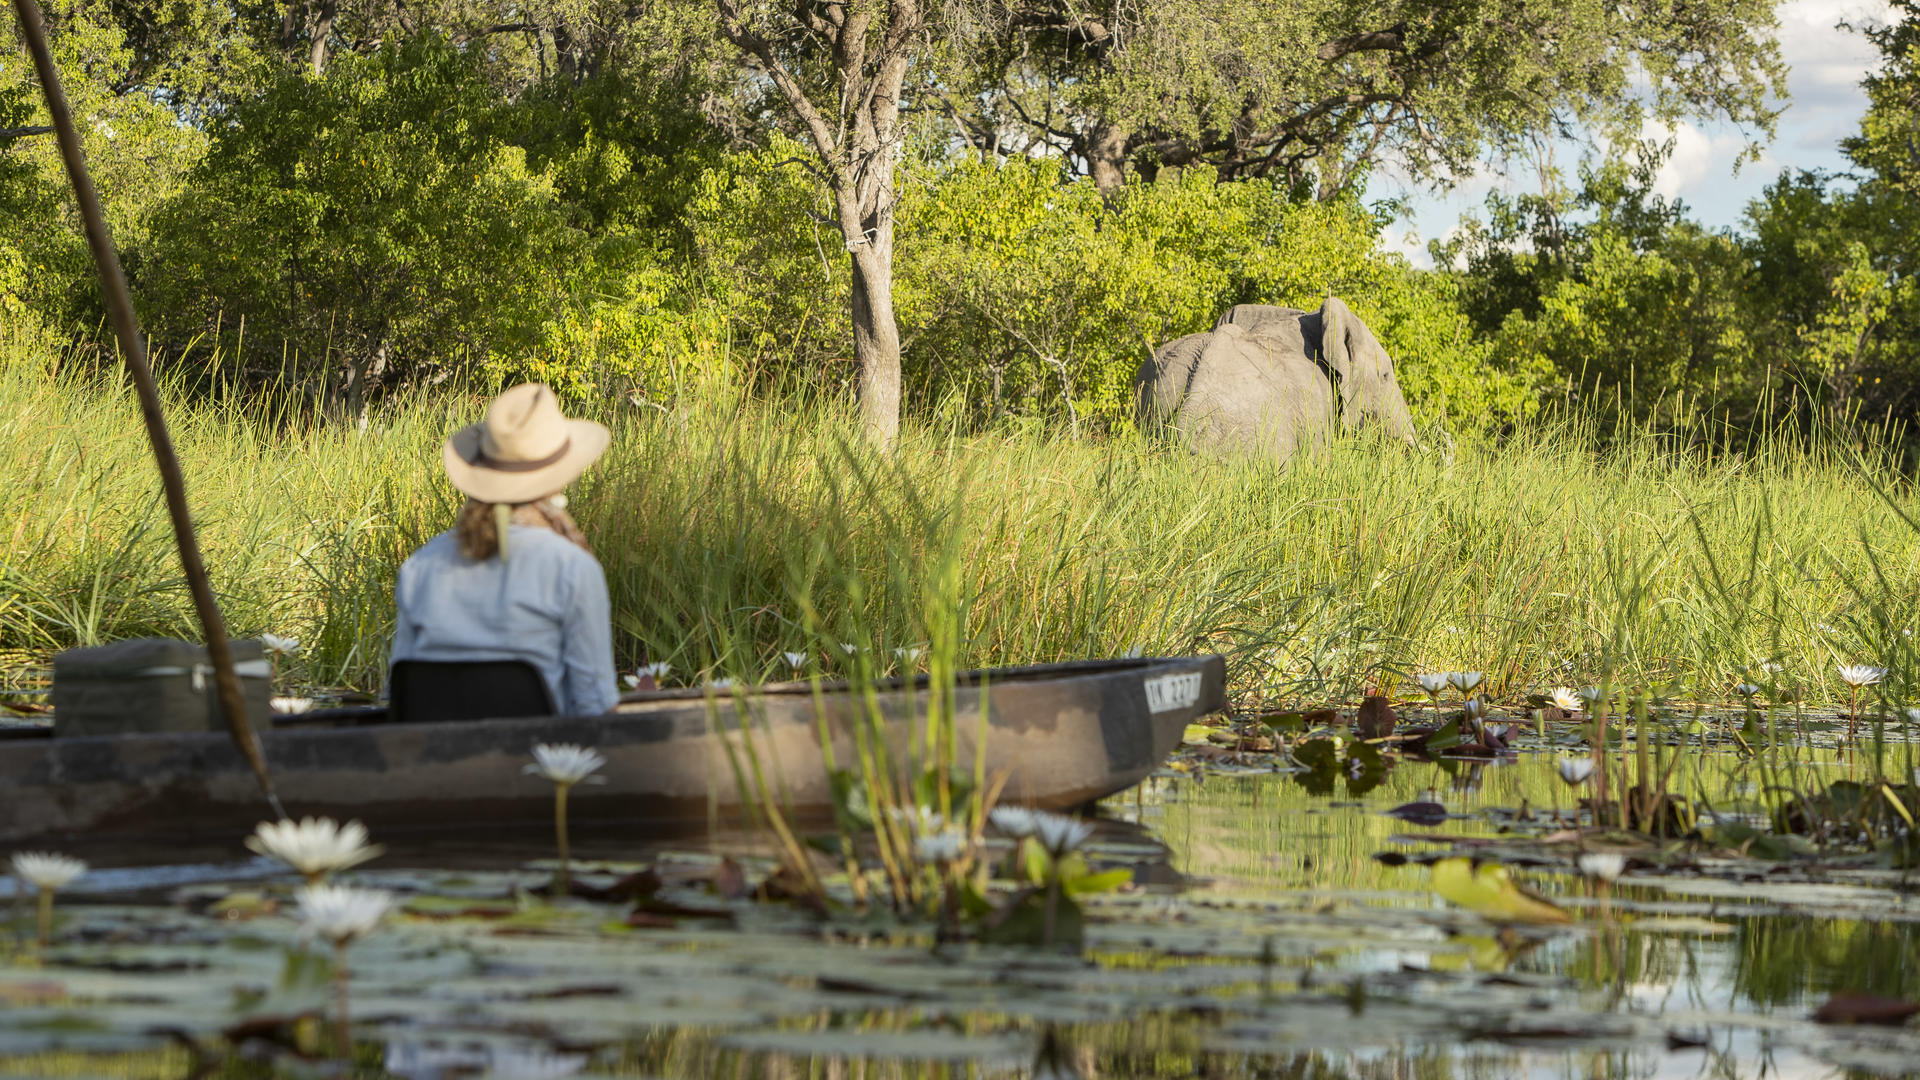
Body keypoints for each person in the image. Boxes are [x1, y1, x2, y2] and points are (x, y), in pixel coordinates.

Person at [390, 383, 619, 716]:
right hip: (536, 761)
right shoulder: (572, 568)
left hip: (432, 759)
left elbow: (399, 693)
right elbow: (595, 708)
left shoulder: (421, 565)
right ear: (557, 480)